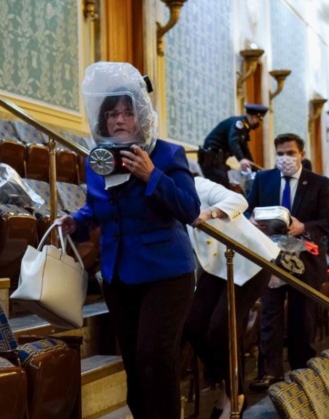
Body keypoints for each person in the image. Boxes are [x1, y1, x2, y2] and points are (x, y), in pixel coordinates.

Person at [56, 62, 200, 419]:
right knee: (135, 365)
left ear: (142, 117)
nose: (119, 120)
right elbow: (97, 207)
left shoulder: (167, 153)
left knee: (156, 358)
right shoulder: (98, 160)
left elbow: (190, 209)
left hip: (167, 273)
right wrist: (76, 221)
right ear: (103, 120)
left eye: (128, 112)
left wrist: (152, 175)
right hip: (119, 275)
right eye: (112, 114)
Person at [184, 176, 279, 418]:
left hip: (250, 259)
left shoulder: (198, 185)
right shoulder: (162, 196)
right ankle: (226, 386)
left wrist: (209, 213)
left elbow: (238, 200)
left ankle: (234, 394)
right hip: (214, 266)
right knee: (194, 325)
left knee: (222, 327)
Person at [246, 133, 329, 391]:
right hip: (271, 258)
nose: (285, 158)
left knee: (302, 319)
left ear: (301, 155)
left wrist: (303, 227)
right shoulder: (263, 179)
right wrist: (252, 220)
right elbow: (249, 209)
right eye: (281, 153)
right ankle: (269, 372)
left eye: (291, 153)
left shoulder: (319, 183)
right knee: (269, 317)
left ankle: (301, 372)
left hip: (304, 260)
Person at [199, 104, 269, 187]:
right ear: (253, 117)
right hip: (211, 160)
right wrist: (241, 160)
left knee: (227, 179)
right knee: (222, 181)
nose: (258, 122)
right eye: (258, 119)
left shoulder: (245, 128)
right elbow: (233, 141)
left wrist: (254, 168)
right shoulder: (239, 123)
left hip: (218, 160)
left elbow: (244, 149)